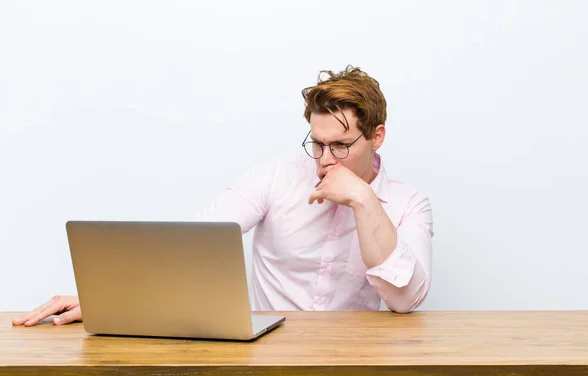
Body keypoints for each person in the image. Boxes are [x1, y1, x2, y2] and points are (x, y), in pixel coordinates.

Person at [13, 65, 434, 327]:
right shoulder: (275, 177)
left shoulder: (409, 204)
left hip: (355, 361)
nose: (325, 159)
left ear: (377, 136)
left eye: (341, 145)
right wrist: (108, 299)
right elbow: (195, 245)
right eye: (317, 144)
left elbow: (404, 300)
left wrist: (362, 198)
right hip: (270, 354)